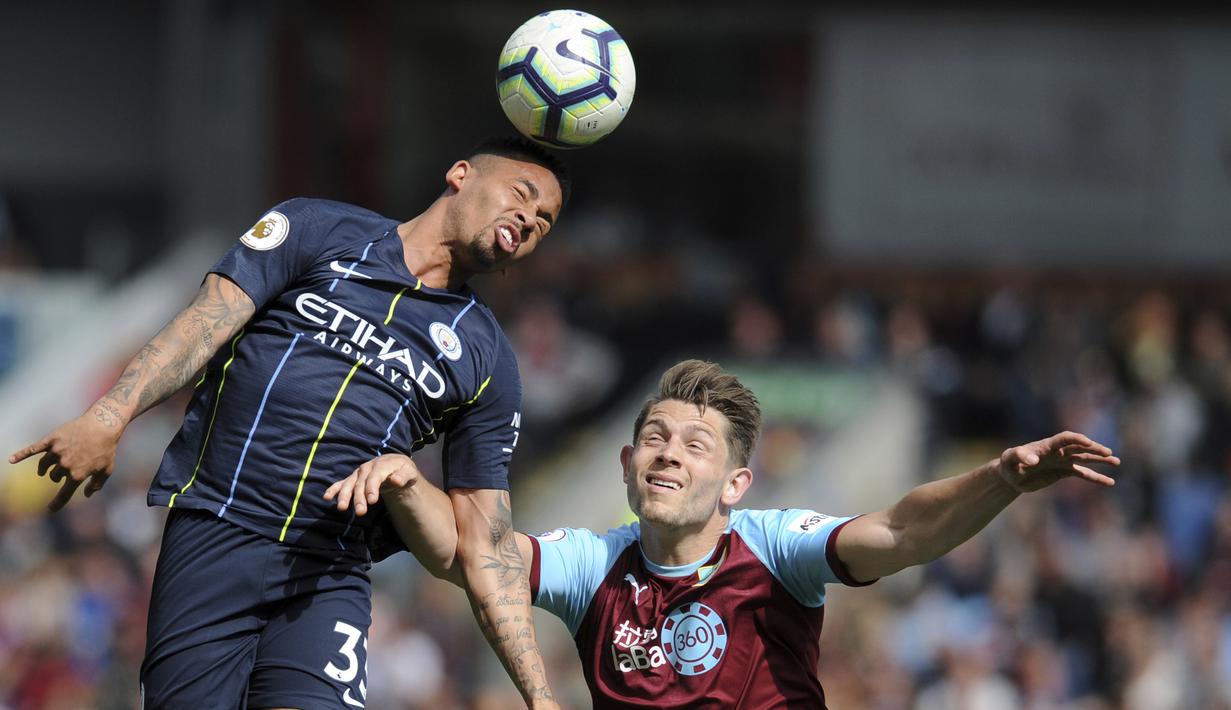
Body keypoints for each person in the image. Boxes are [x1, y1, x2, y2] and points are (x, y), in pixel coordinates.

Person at [9, 137, 568, 709]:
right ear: (459, 174)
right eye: (522, 196)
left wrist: (539, 695)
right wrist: (109, 417)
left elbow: (486, 541)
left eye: (545, 222)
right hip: (216, 531)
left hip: (328, 574)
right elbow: (203, 324)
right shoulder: (315, 227)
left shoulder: (489, 358)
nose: (529, 220)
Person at [326, 358, 1120, 708]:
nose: (670, 453)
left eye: (695, 444)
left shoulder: (776, 549)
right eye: (657, 439)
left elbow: (903, 530)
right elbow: (475, 557)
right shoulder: (592, 563)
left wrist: (1001, 477)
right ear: (629, 463)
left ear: (737, 484)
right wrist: (404, 476)